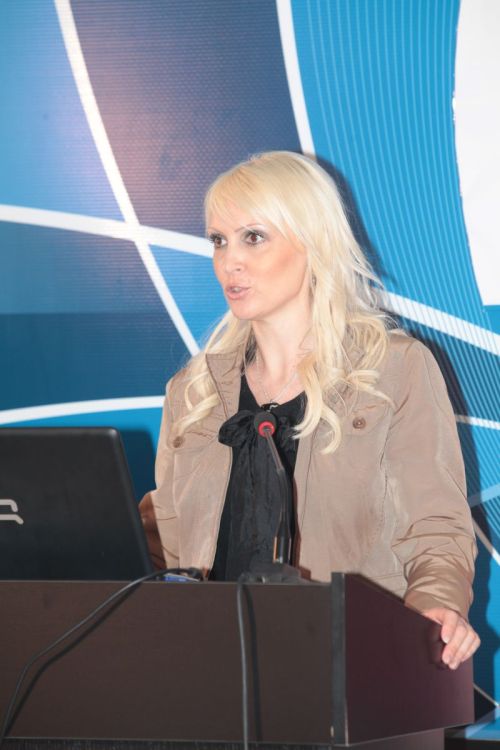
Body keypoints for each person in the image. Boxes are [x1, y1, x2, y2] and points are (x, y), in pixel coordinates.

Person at [140, 151, 480, 669]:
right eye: (218, 240)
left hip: (350, 662)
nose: (230, 261)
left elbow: (436, 530)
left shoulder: (394, 369)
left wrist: (434, 608)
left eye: (254, 237)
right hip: (208, 669)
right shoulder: (194, 389)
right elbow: (162, 537)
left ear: (313, 241)